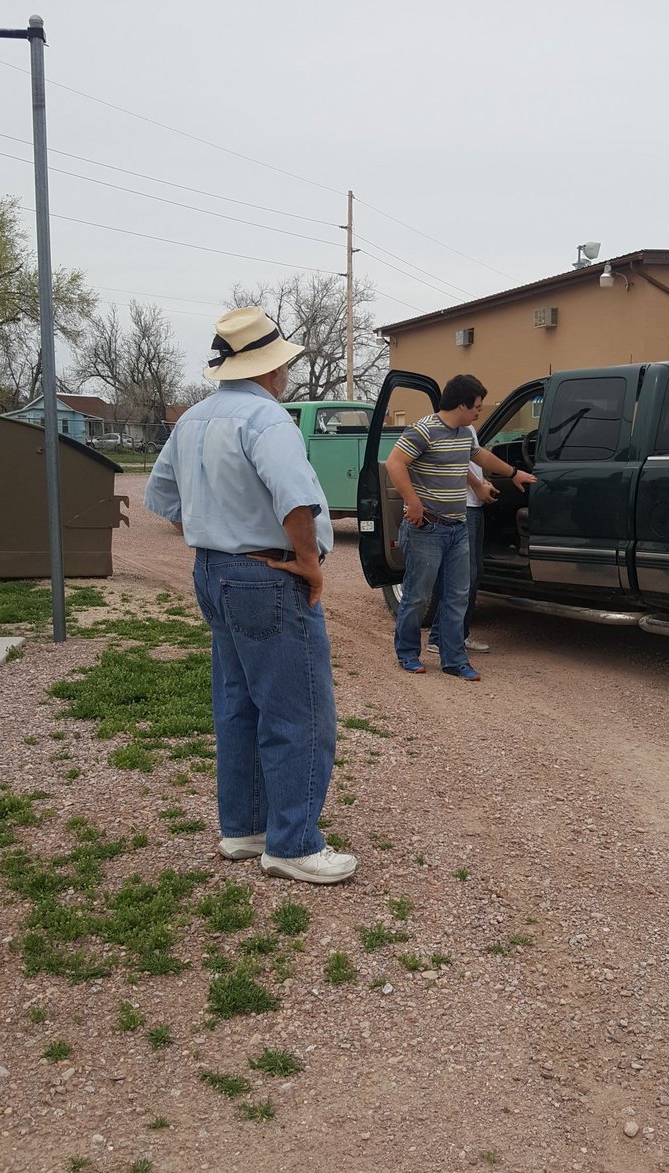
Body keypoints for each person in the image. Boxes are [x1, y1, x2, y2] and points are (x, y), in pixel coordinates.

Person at [144, 307, 356, 885]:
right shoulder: (268, 421)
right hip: (267, 576)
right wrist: (309, 566)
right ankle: (293, 843)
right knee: (299, 709)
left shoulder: (193, 418)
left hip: (213, 571)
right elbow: (295, 502)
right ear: (271, 370)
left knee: (238, 703)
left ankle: (245, 828)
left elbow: (160, 496)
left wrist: (215, 522)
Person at [385, 374, 535, 680]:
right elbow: (394, 463)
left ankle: (454, 659)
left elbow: (481, 456)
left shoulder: (464, 432)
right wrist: (412, 503)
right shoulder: (423, 430)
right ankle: (407, 653)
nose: (479, 412)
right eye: (477, 406)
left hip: (457, 527)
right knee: (417, 594)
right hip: (427, 528)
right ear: (462, 404)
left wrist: (513, 472)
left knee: (458, 595)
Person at [427, 419, 498, 657]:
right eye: (476, 405)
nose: (479, 411)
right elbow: (457, 462)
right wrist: (478, 486)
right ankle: (439, 637)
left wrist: (483, 482)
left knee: (472, 575)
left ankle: (458, 635)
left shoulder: (468, 429)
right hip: (463, 506)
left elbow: (476, 461)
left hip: (474, 506)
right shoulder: (449, 429)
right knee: (461, 578)